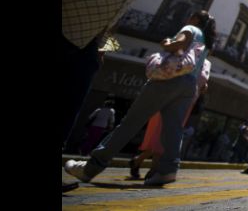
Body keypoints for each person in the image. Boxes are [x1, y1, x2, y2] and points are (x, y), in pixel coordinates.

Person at [65, 10, 216, 186]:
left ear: (195, 19)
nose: (188, 18)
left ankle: (91, 167)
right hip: (188, 86)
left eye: (191, 16)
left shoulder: (190, 28)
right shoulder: (205, 42)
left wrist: (168, 43)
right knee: (173, 130)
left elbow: (179, 44)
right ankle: (167, 170)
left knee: (130, 123)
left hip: (169, 80)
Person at [62, 0, 160, 154]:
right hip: (65, 28)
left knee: (70, 103)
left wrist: (103, 47)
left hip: (88, 46)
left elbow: (115, 17)